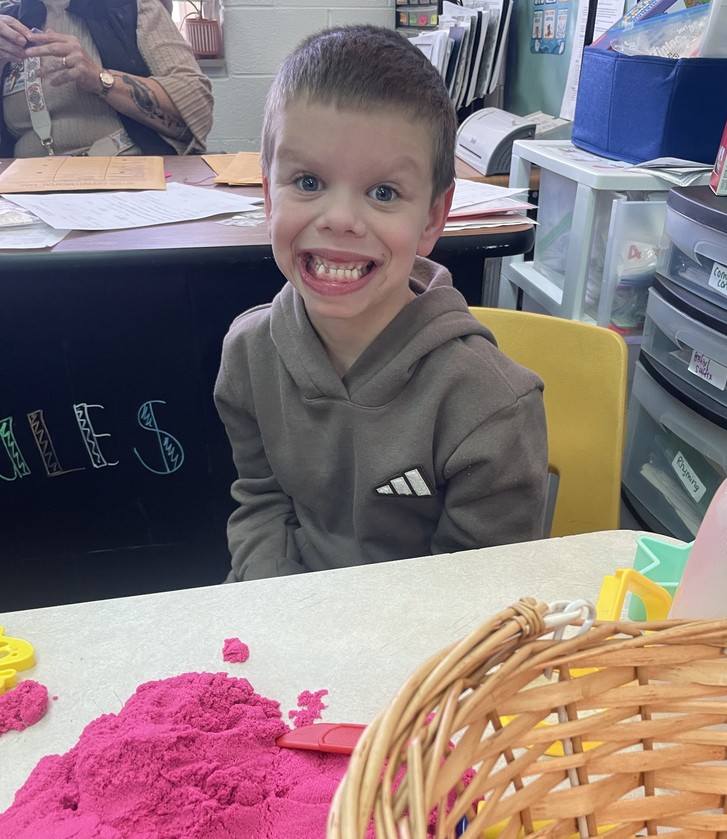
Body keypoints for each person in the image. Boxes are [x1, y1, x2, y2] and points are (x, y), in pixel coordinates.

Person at [214, 24, 548, 582]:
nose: (341, 219)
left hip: (428, 630)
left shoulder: (491, 407)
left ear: (433, 219)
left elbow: (475, 592)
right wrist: (276, 604)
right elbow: (262, 501)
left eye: (383, 192)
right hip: (282, 610)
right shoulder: (248, 354)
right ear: (269, 197)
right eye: (308, 181)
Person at [0, 0, 212, 157]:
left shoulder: (131, 7)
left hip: (126, 178)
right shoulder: (8, 23)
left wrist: (99, 79)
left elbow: (197, 106)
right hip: (26, 190)